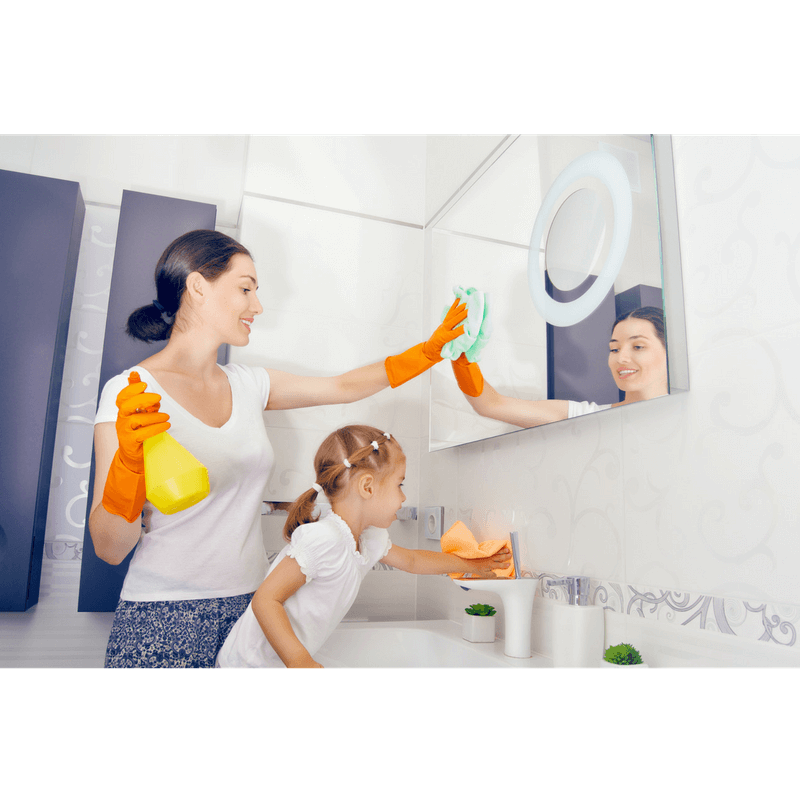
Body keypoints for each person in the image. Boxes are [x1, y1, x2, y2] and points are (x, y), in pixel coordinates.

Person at [89, 230, 469, 669]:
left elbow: (342, 387)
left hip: (253, 611)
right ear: (197, 287)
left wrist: (427, 352)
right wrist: (129, 468)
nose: (257, 306)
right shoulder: (131, 392)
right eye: (245, 288)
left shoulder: (248, 384)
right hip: (163, 618)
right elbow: (110, 548)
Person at [216, 425, 511, 669]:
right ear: (367, 487)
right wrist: (300, 661)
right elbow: (266, 600)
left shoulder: (368, 539)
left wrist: (472, 565)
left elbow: (412, 561)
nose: (403, 498)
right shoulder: (323, 538)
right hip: (246, 663)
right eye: (400, 485)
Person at [450, 306, 668, 428]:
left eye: (638, 346)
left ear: (672, 352)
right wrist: (461, 355)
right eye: (614, 349)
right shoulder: (586, 418)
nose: (621, 358)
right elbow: (490, 404)